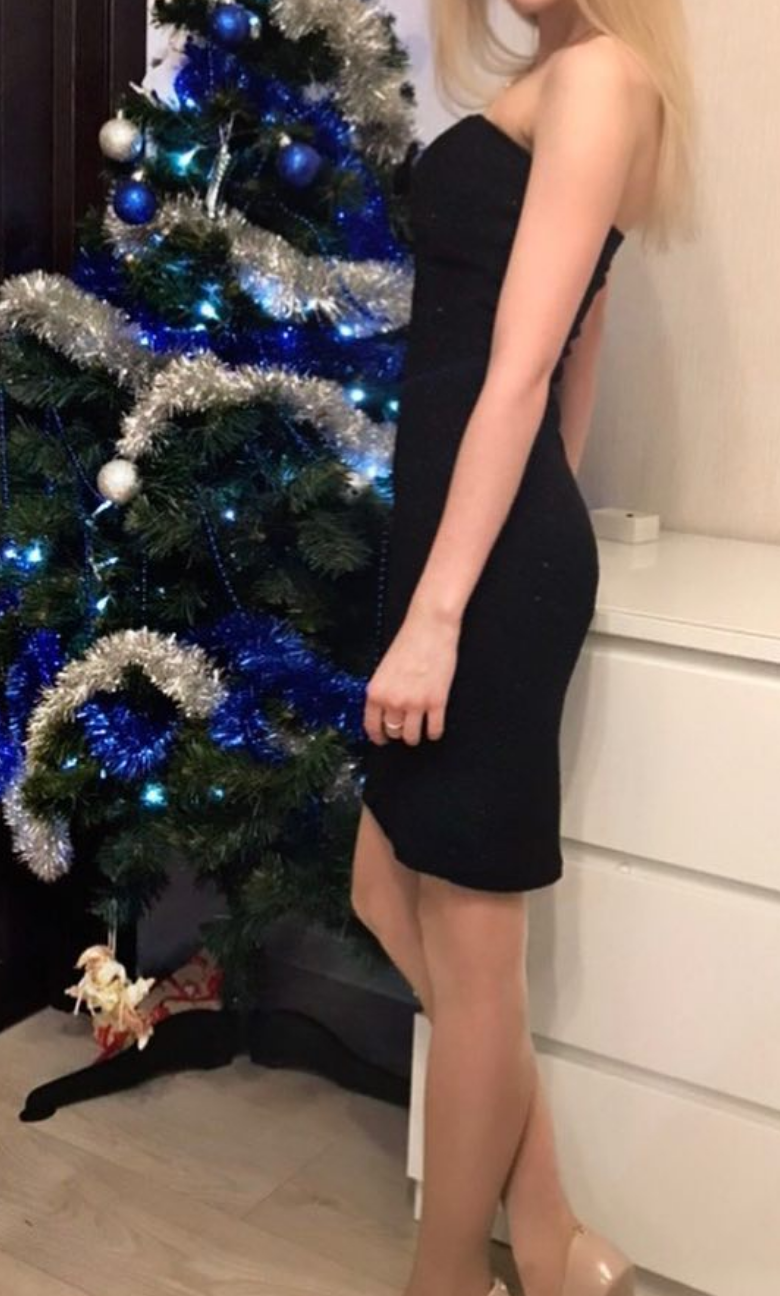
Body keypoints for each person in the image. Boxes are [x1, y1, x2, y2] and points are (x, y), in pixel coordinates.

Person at [351, 3, 697, 1296]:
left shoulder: (604, 78)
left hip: (482, 563)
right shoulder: (569, 75)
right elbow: (580, 355)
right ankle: (551, 1236)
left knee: (473, 943)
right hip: (464, 536)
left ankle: (451, 1276)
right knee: (385, 892)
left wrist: (449, 609)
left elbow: (525, 370)